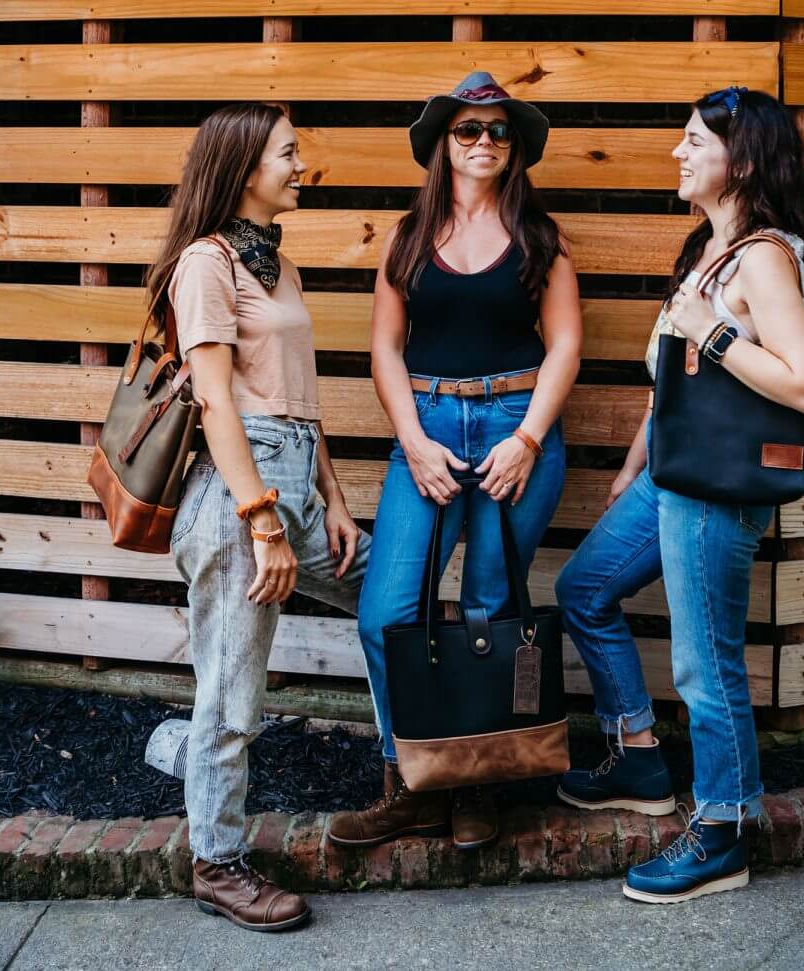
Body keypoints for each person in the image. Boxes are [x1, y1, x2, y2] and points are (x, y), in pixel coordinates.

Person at [555, 87, 804, 903]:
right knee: (585, 587)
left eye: (692, 141)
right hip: (671, 474)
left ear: (740, 159)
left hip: (716, 491)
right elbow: (677, 380)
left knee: (705, 664)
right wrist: (634, 462)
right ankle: (638, 753)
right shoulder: (708, 251)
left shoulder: (764, 258)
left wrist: (712, 328)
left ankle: (724, 827)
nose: (678, 153)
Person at [328, 72, 582, 852]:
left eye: (498, 132)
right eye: (468, 131)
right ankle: (406, 780)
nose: (484, 143)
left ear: (514, 150)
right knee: (386, 614)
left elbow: (566, 344)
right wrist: (411, 439)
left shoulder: (541, 238)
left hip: (516, 424)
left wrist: (527, 439)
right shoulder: (408, 238)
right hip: (428, 427)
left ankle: (474, 783)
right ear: (443, 144)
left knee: (485, 611)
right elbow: (384, 349)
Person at [146, 103, 370, 931]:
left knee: (389, 598)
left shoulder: (276, 265)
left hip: (298, 482)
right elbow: (216, 400)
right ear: (245, 168)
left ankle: (408, 779)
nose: (301, 164)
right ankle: (218, 862)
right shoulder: (206, 265)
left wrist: (335, 499)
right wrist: (264, 522)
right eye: (289, 152)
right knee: (234, 694)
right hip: (244, 497)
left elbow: (296, 404)